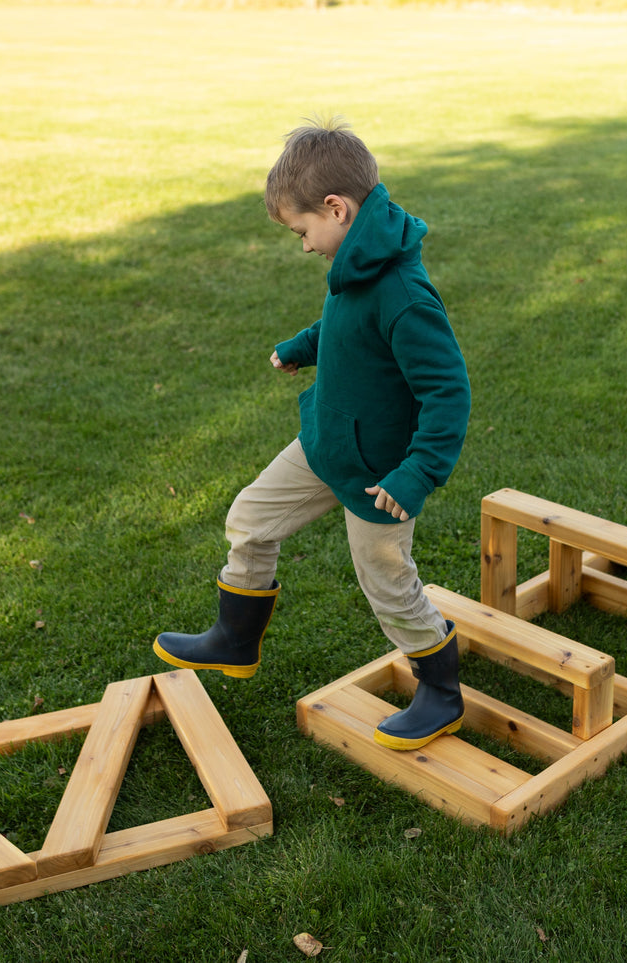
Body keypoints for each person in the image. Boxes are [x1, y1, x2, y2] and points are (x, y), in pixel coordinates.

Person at [153, 116, 471, 752]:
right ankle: (235, 638)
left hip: (379, 475)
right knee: (250, 517)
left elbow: (448, 393)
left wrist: (416, 473)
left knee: (388, 584)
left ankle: (440, 690)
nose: (303, 245)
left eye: (303, 230)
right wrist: (306, 345)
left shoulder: (405, 294)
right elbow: (349, 331)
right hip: (325, 445)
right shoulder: (357, 264)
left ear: (337, 208)